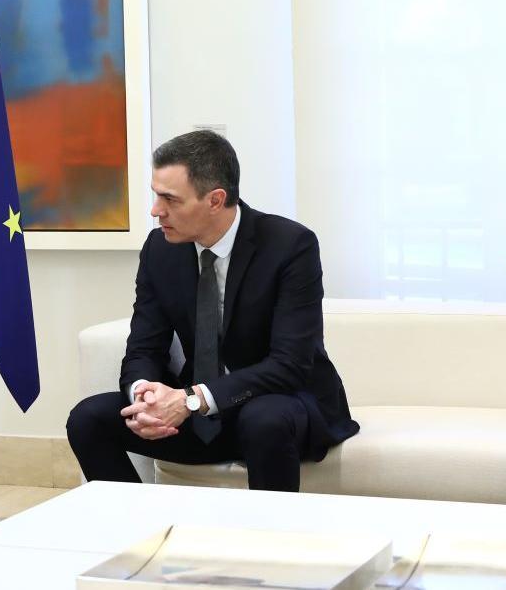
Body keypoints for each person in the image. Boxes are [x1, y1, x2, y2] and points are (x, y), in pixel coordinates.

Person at [67, 130, 359, 491]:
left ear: (215, 200)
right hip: (199, 415)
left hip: (279, 406)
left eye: (170, 199)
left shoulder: (289, 246)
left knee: (262, 420)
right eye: (156, 195)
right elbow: (144, 346)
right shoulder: (161, 249)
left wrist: (192, 400)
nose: (156, 210)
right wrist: (144, 395)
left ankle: (273, 542)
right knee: (88, 419)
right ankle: (142, 532)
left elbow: (289, 364)